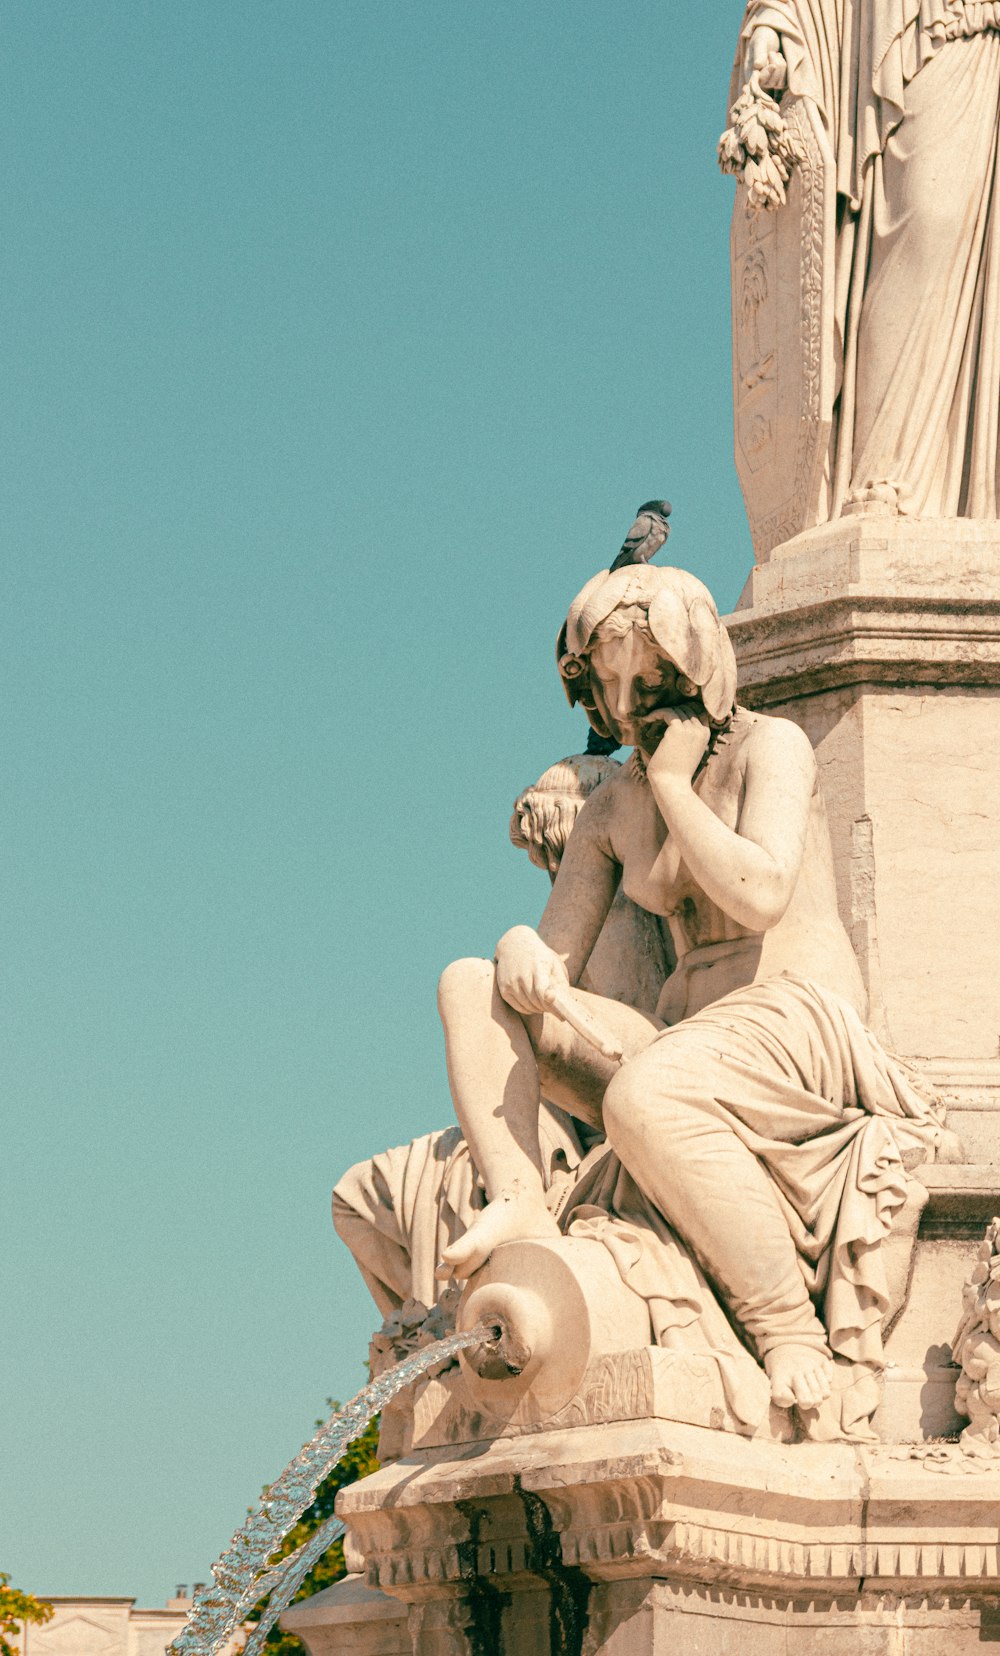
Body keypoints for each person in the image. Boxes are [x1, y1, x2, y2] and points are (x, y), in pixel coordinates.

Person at [437, 562, 941, 1421]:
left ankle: (787, 1329)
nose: (630, 706)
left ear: (696, 670)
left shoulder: (769, 748)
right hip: (689, 1037)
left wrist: (674, 787)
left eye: (650, 679)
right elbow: (551, 964)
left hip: (797, 1017)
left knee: (643, 1095)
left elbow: (759, 894)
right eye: (609, 682)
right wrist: (521, 948)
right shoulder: (611, 812)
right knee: (472, 985)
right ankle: (518, 1197)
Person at [332, 751, 670, 1322]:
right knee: (363, 1192)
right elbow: (536, 999)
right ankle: (445, 1299)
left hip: (642, 1071)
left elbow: (612, 1022)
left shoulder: (637, 898)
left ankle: (451, 1297)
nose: (549, 857)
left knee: (408, 1183)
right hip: (568, 1088)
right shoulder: (583, 901)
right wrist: (519, 944)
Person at [732, 0, 1000, 518]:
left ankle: (974, 495)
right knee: (926, 225)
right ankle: (883, 465)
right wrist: (773, 22)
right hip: (926, 35)